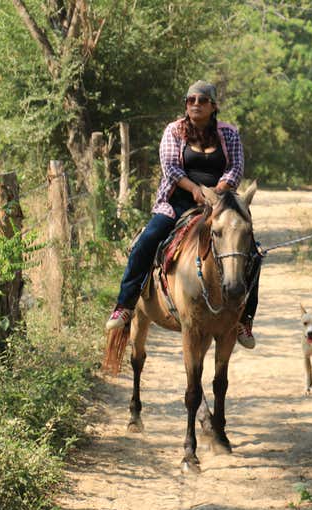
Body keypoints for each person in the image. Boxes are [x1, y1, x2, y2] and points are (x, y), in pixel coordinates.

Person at [106, 80, 259, 348]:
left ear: (213, 106)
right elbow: (171, 168)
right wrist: (195, 190)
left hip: (220, 203)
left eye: (202, 100)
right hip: (177, 201)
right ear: (186, 105)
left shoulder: (229, 134)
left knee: (252, 251)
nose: (196, 104)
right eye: (191, 100)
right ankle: (125, 303)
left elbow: (235, 168)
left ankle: (244, 319)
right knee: (147, 241)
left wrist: (217, 191)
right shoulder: (174, 131)